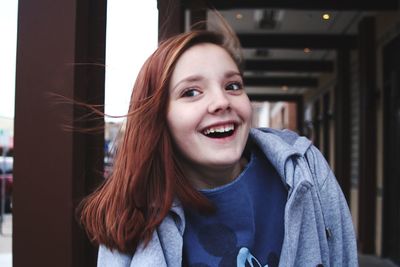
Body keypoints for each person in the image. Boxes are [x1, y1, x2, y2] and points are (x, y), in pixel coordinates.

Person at [78, 28, 358, 267]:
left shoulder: (305, 168)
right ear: (159, 118)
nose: (222, 101)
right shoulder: (131, 210)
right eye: (191, 92)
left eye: (233, 85)